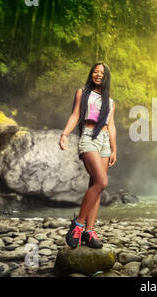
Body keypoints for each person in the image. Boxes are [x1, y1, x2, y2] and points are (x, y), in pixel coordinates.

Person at [59, 62, 117, 249]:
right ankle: (78, 225)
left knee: (96, 187)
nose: (98, 74)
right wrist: (65, 134)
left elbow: (112, 126)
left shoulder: (111, 101)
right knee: (102, 182)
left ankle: (89, 233)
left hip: (105, 141)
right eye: (95, 71)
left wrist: (114, 149)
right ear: (91, 74)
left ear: (106, 77)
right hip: (89, 137)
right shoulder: (82, 93)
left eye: (102, 73)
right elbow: (75, 115)